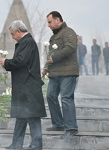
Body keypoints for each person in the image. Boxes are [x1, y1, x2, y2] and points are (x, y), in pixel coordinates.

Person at [0, 20, 47, 150]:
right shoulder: (26, 42)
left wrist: (6, 62)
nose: (12, 37)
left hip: (29, 86)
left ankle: (36, 145)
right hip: (25, 86)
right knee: (21, 115)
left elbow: (20, 61)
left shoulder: (27, 42)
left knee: (32, 116)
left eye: (12, 34)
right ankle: (16, 144)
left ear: (18, 31)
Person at [42, 11, 79, 139]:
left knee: (66, 98)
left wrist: (54, 58)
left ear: (58, 20)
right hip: (55, 73)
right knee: (51, 96)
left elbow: (70, 48)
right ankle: (58, 123)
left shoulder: (69, 32)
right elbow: (49, 55)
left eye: (50, 22)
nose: (48, 25)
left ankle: (71, 127)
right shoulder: (53, 37)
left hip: (68, 72)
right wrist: (46, 68)